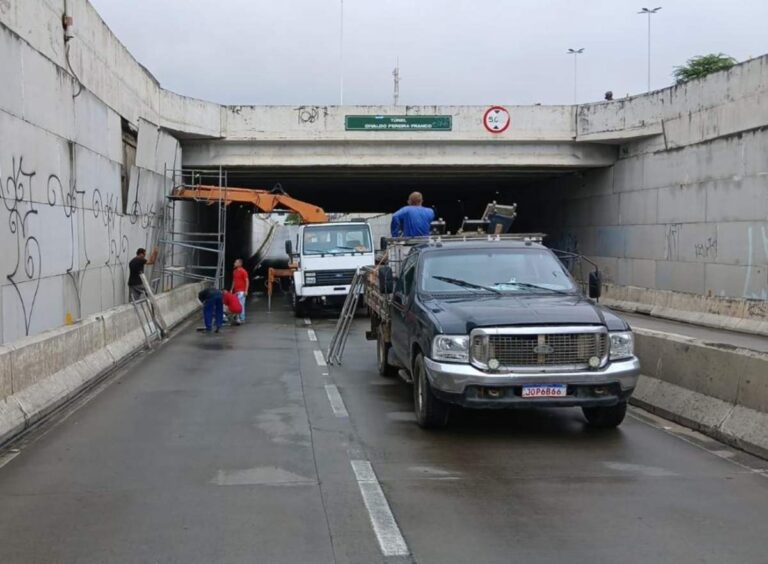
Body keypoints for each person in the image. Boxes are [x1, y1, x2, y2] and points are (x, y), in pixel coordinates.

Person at [230, 258, 249, 324]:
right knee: (236, 305)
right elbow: (234, 281)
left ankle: (242, 318)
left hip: (242, 291)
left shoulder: (243, 271)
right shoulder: (234, 271)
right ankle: (238, 318)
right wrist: (231, 289)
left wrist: (246, 291)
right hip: (236, 291)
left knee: (241, 305)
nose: (234, 263)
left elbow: (247, 281)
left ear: (240, 264)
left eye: (235, 262)